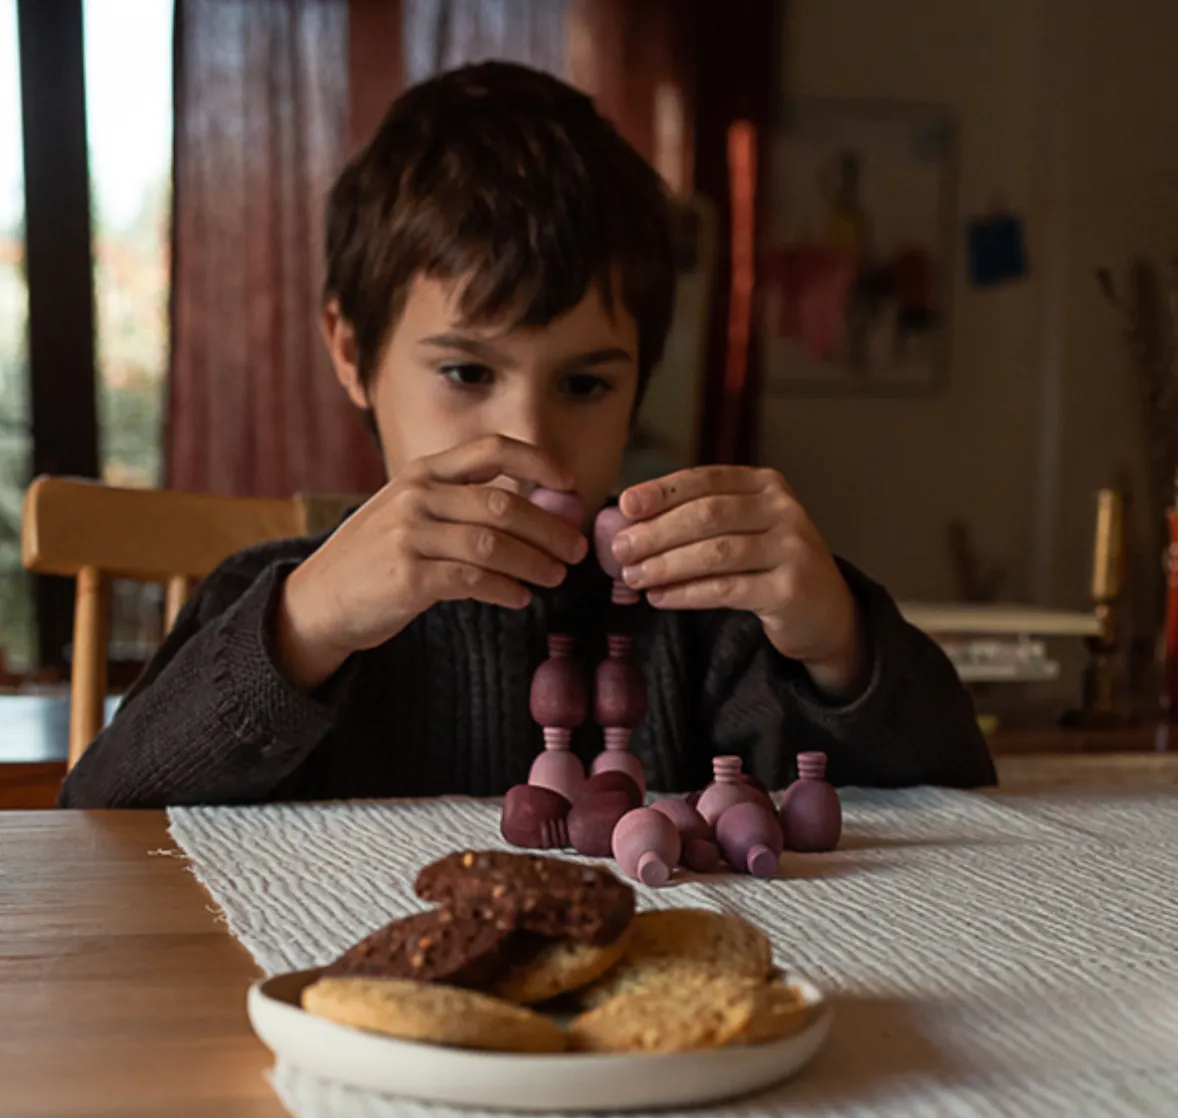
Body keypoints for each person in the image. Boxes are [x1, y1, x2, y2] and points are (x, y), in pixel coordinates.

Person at [59, 62, 994, 809]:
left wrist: (838, 643)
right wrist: (304, 627)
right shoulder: (276, 612)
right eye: (467, 373)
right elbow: (95, 823)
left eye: (585, 383)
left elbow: (953, 805)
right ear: (351, 351)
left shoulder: (702, 629)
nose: (531, 443)